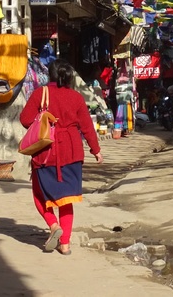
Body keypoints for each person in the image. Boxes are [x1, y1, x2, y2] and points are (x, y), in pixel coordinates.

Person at [19, 59, 102, 256]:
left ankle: (53, 224)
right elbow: (87, 127)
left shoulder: (41, 93)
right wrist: (96, 150)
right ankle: (65, 245)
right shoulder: (76, 97)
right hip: (72, 152)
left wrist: (43, 119)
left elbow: (24, 119)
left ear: (51, 75)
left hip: (46, 152)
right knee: (66, 199)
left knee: (40, 195)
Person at [114, 72, 135, 137]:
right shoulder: (122, 86)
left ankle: (124, 129)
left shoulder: (120, 86)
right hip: (123, 102)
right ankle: (123, 129)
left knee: (124, 116)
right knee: (122, 116)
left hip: (125, 102)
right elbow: (131, 86)